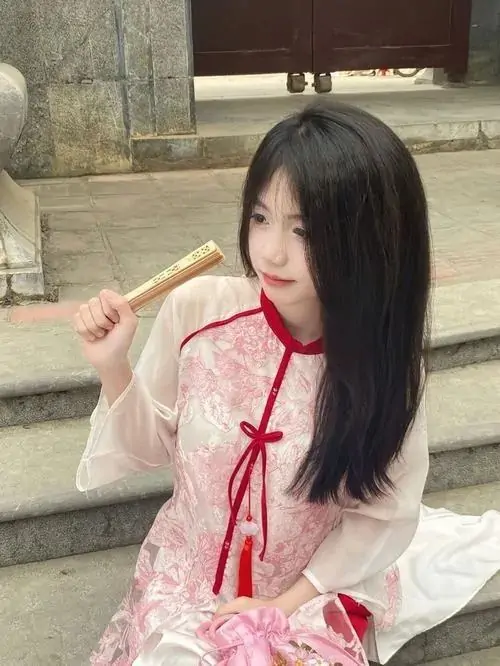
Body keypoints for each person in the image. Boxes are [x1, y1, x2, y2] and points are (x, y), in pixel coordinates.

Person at [74, 101, 500, 666]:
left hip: (308, 590)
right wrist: (113, 364)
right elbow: (148, 447)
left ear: (371, 239)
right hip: (190, 578)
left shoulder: (383, 365)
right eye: (260, 217)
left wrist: (281, 606)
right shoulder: (199, 310)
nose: (272, 251)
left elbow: (381, 512)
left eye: (305, 230)